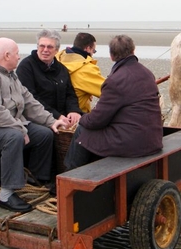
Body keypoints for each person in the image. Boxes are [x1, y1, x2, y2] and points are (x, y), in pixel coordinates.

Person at [0, 37, 67, 213]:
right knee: (14, 137)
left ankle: (35, 181)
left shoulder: (10, 75)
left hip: (6, 125)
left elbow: (29, 101)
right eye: (17, 54)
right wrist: (20, 129)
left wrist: (52, 121)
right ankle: (7, 194)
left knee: (43, 134)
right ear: (7, 55)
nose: (19, 57)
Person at [63, 35, 163, 171]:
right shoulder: (147, 73)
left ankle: (70, 176)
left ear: (111, 56)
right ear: (133, 51)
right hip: (153, 139)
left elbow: (97, 120)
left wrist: (82, 117)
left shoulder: (115, 80)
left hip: (132, 143)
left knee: (82, 131)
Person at [17, 29, 82, 127]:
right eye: (42, 46)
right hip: (38, 117)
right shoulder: (26, 67)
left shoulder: (61, 69)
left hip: (63, 115)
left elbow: (70, 94)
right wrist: (57, 116)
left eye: (50, 47)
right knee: (47, 134)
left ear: (57, 50)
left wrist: (73, 111)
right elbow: (31, 99)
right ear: (37, 47)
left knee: (89, 125)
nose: (45, 50)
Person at [57, 32, 106, 113]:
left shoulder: (57, 58)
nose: (93, 54)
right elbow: (110, 90)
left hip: (54, 113)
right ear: (87, 48)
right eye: (94, 51)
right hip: (75, 116)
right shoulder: (86, 69)